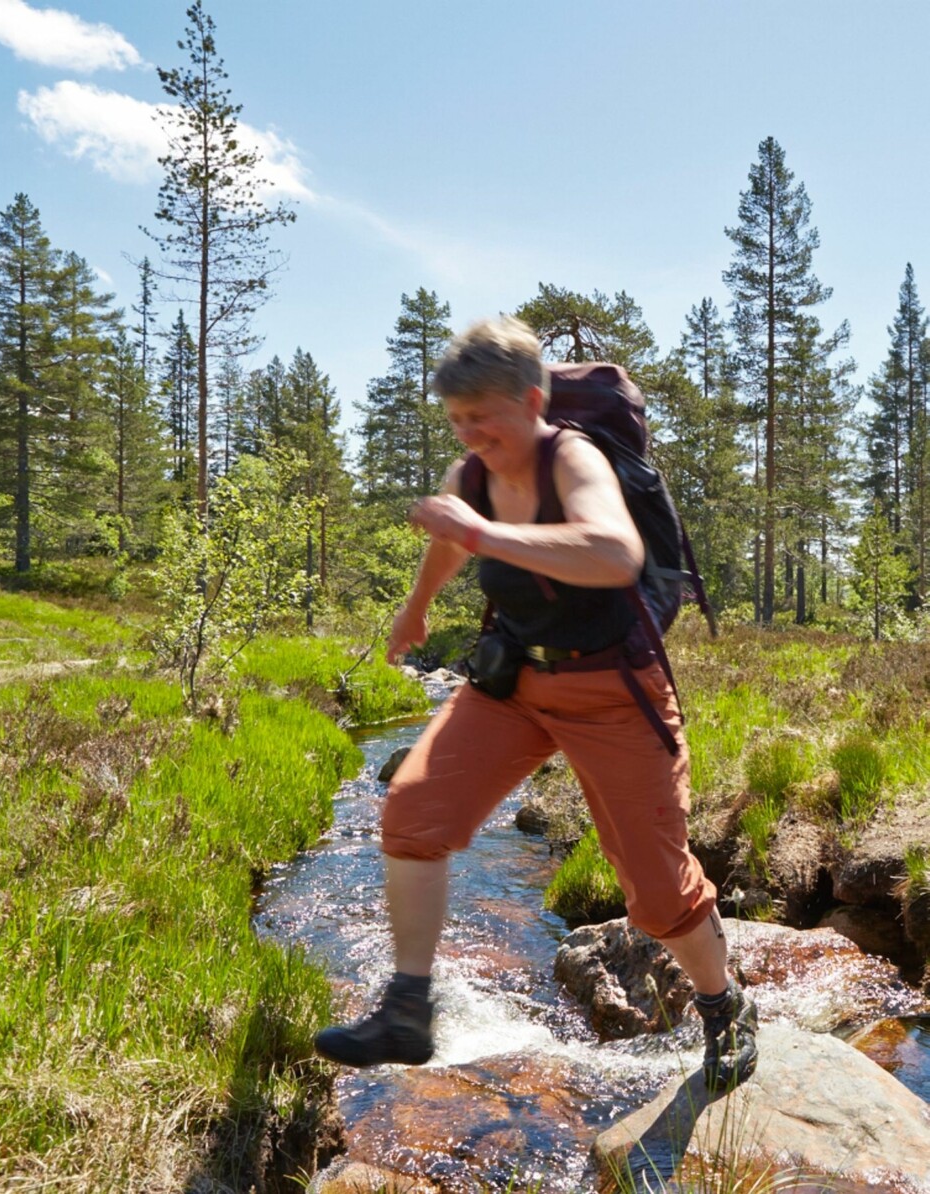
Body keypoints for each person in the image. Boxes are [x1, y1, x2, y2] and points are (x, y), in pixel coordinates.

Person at [314, 316, 757, 1090]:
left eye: (482, 415)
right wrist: (415, 607)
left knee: (656, 893)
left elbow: (614, 553)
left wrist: (484, 536)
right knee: (413, 814)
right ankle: (407, 1011)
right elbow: (450, 540)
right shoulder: (474, 474)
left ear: (531, 399)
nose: (470, 433)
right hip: (515, 684)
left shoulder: (573, 458)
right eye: (456, 419)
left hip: (615, 690)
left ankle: (724, 1007)